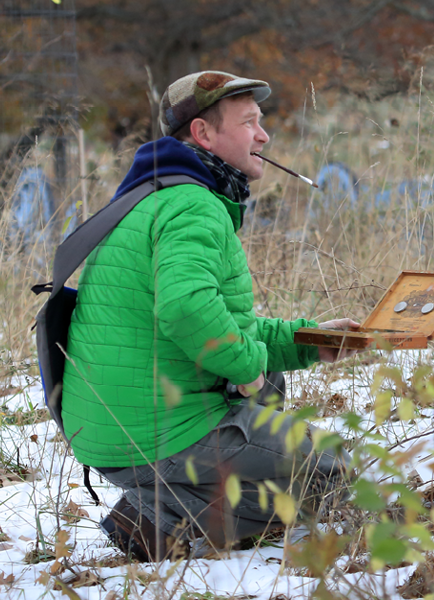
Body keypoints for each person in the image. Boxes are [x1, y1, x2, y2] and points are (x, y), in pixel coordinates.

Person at [60, 71, 355, 561]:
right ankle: (161, 512)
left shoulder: (151, 194)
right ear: (203, 134)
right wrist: (244, 370)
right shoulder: (193, 205)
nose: (264, 136)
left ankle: (159, 507)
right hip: (158, 430)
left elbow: (206, 319)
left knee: (271, 381)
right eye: (249, 123)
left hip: (109, 430)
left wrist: (307, 341)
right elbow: (185, 308)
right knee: (334, 469)